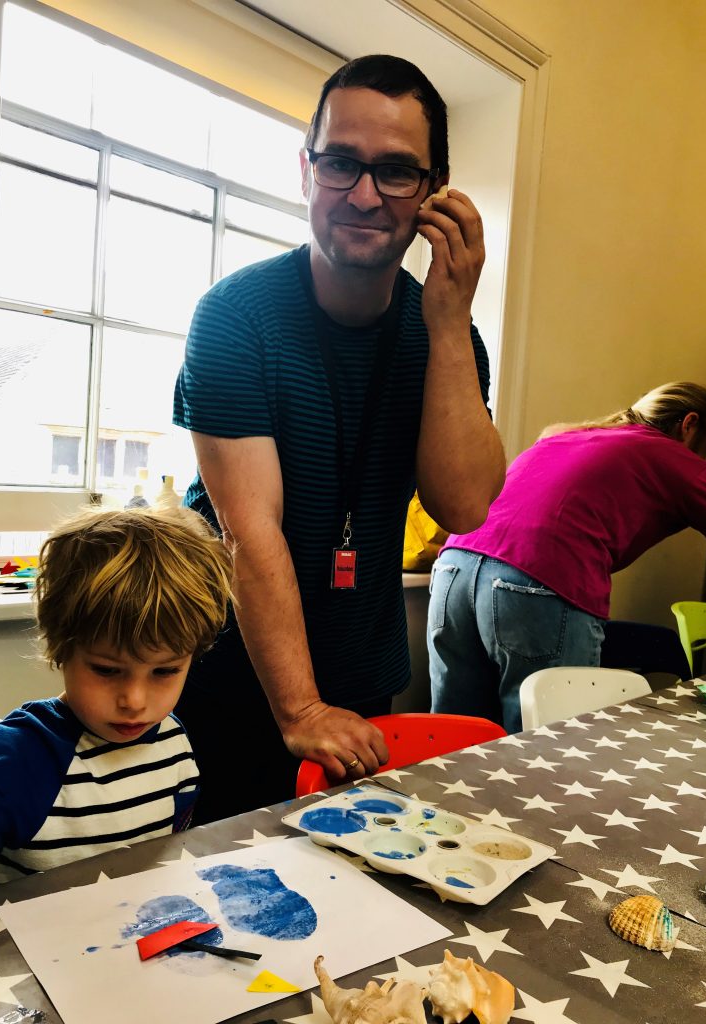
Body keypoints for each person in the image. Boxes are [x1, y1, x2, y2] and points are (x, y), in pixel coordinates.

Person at [173, 54, 505, 822]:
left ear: (433, 191)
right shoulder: (235, 316)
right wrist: (300, 710)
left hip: (362, 673)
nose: (362, 194)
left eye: (395, 171)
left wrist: (450, 325)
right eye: (340, 163)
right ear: (305, 170)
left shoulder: (449, 337)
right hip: (232, 673)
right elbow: (248, 533)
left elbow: (462, 504)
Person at [0, 505, 232, 897]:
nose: (135, 701)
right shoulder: (26, 755)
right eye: (107, 670)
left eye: (164, 672)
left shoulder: (172, 739)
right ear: (61, 649)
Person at [428, 381, 706, 734]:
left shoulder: (575, 435)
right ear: (690, 424)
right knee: (550, 746)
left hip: (454, 567)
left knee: (455, 733)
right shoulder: (671, 455)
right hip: (537, 578)